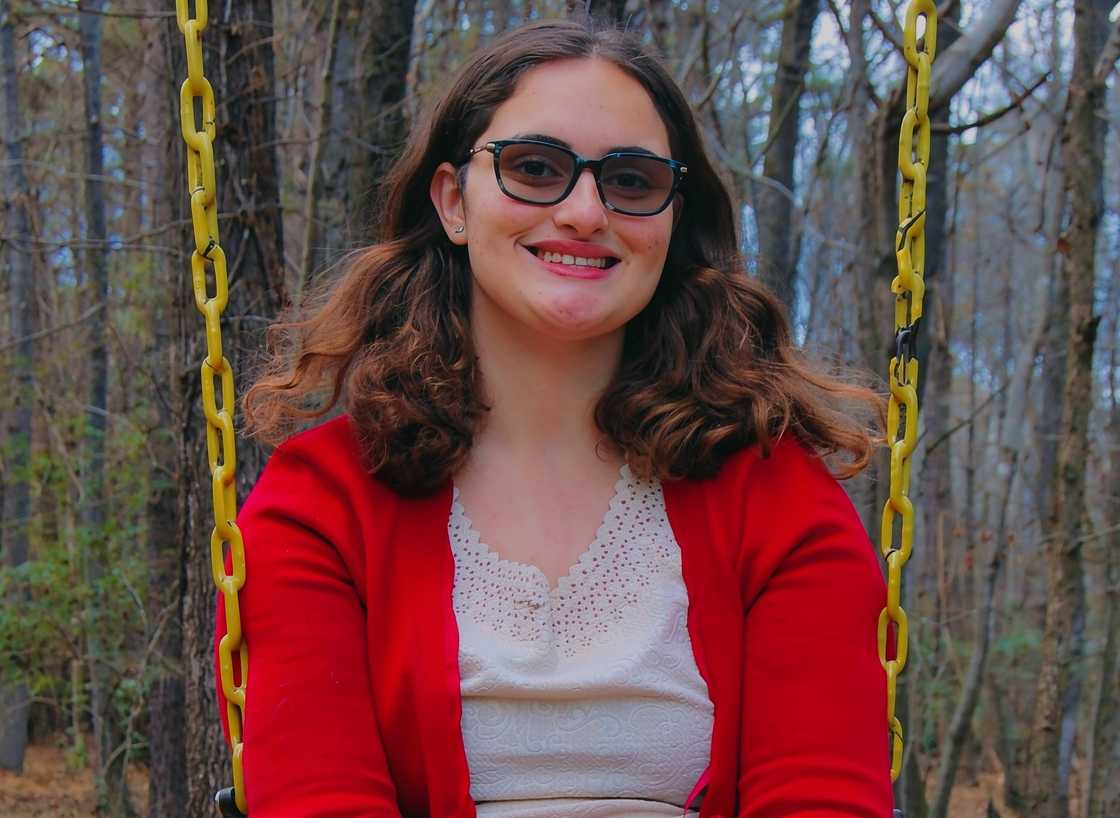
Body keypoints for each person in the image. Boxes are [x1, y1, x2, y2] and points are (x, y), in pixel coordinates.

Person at [216, 17, 892, 818]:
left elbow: (819, 798)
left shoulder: (778, 501)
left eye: (631, 180)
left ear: (672, 221)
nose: (583, 211)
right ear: (454, 202)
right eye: (534, 168)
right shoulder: (321, 507)